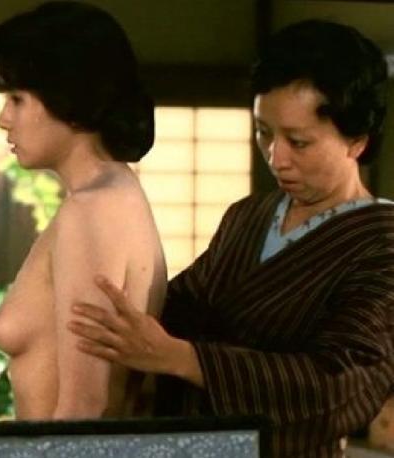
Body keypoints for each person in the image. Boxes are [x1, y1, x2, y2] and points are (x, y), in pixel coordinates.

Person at [69, 19, 394, 457]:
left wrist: (182, 359)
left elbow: (342, 384)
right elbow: (178, 306)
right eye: (264, 132)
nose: (276, 158)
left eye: (298, 142)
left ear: (357, 141)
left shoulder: (382, 243)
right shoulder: (249, 216)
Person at [0, 1, 167, 420]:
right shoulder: (114, 193)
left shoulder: (92, 210)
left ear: (67, 96)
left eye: (17, 99)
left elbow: (86, 405)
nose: (4, 119)